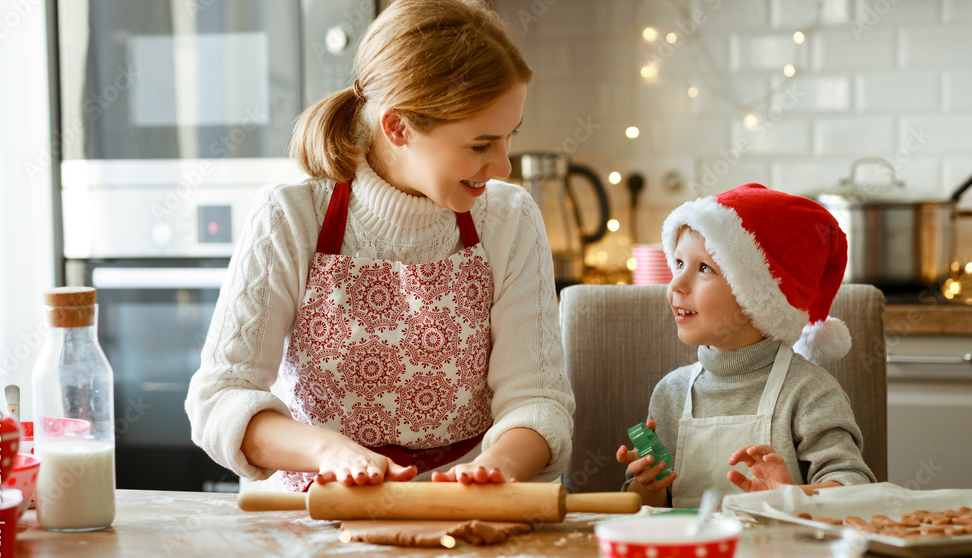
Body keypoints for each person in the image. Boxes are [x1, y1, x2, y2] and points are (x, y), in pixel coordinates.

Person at [185, 0, 574, 492]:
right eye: (480, 145)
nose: (503, 166)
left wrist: (491, 471)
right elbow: (221, 397)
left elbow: (536, 400)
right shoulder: (292, 216)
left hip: (465, 508)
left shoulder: (509, 219)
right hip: (315, 510)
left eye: (507, 138)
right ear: (398, 127)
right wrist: (328, 451)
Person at [617, 183, 875, 508]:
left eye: (705, 268)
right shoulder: (670, 393)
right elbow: (646, 511)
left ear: (755, 298)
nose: (676, 284)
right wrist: (649, 485)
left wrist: (790, 496)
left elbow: (856, 488)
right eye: (679, 263)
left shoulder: (810, 392)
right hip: (692, 557)